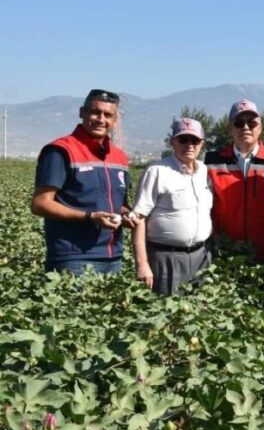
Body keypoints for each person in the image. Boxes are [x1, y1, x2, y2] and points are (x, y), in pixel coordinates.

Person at [31, 89, 132, 274]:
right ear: (82, 112)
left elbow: (120, 205)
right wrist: (90, 217)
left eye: (108, 115)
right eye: (95, 112)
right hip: (74, 258)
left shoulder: (120, 158)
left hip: (114, 257)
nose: (101, 119)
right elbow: (40, 204)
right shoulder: (61, 151)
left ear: (115, 120)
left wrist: (129, 215)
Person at [130, 118, 214, 295]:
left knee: (201, 316)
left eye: (194, 140)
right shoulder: (157, 171)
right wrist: (142, 264)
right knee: (168, 316)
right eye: (183, 140)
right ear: (172, 142)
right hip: (167, 257)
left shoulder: (204, 172)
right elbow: (138, 218)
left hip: (201, 256)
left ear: (202, 144)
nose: (189, 145)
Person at [205, 99, 264, 262]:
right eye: (239, 123)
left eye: (251, 123)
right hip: (225, 256)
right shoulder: (212, 162)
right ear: (230, 128)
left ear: (260, 128)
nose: (246, 128)